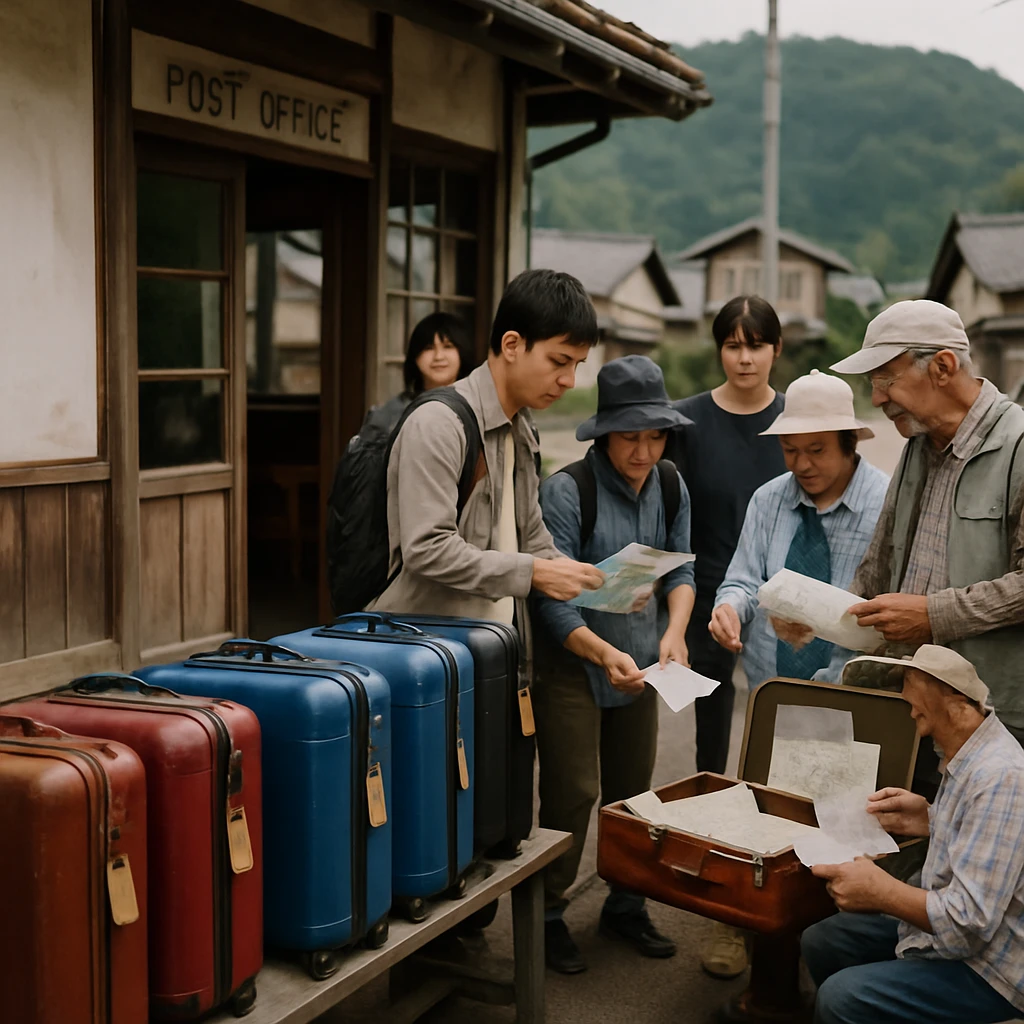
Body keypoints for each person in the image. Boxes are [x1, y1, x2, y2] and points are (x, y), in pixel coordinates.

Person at [533, 356, 696, 975]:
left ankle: (627, 903)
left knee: (634, 790)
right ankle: (546, 914)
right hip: (575, 664)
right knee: (573, 792)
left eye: (655, 435)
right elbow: (552, 605)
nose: (643, 450)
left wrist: (674, 633)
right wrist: (602, 654)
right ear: (603, 433)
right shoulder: (567, 491)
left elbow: (680, 570)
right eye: (630, 436)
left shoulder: (673, 483)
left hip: (642, 660)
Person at [829, 300, 1024, 747]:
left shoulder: (1018, 447)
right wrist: (824, 617)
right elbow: (878, 569)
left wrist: (933, 615)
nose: (876, 398)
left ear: (942, 366)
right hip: (909, 709)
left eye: (885, 379)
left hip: (989, 720)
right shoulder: (918, 445)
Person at [800, 645, 1024, 1024]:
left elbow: (967, 924)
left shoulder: (1000, 777)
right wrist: (931, 818)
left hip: (991, 971)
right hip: (960, 943)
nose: (905, 697)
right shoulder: (969, 754)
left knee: (841, 999)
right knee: (824, 940)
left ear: (955, 698)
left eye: (914, 684)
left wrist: (881, 891)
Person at [370, 267, 605, 627]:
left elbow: (531, 537)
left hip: (491, 645)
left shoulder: (523, 428)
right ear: (511, 345)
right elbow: (427, 549)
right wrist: (535, 573)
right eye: (559, 361)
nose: (569, 381)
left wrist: (594, 583)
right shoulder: (439, 422)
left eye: (577, 365)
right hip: (423, 649)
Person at [711, 369, 889, 700]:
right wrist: (729, 609)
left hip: (854, 693)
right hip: (769, 691)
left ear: (848, 441)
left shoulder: (886, 505)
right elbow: (744, 580)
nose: (801, 464)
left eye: (817, 450)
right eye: (790, 450)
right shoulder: (767, 500)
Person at [671, 296, 788, 780]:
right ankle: (709, 820)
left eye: (756, 346)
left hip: (784, 597)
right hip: (708, 598)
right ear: (718, 350)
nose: (744, 358)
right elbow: (671, 517)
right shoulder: (686, 423)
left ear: (776, 350)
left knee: (785, 721)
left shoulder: (795, 421)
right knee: (712, 733)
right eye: (732, 345)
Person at [360, 311, 475, 442]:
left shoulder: (476, 409)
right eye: (429, 348)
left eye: (447, 347)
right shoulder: (390, 415)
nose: (438, 356)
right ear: (415, 356)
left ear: (463, 353)